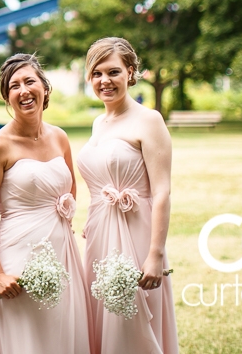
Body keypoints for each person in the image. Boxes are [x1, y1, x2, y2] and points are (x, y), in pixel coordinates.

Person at [0, 54, 92, 354]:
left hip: (63, 255)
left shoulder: (60, 137)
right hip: (16, 259)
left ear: (44, 88)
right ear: (7, 97)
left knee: (64, 339)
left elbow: (69, 190)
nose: (23, 90)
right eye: (14, 86)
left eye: (30, 81)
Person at [76, 37, 178, 354]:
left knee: (131, 324)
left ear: (130, 73)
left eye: (113, 72)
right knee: (104, 321)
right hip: (99, 238)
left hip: (137, 235)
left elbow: (161, 191)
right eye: (96, 73)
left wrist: (155, 254)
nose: (104, 81)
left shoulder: (149, 120)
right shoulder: (98, 123)